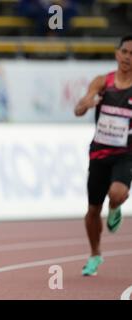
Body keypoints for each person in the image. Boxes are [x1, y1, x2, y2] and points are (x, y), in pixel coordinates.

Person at [74, 35, 132, 276]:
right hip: (99, 152)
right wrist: (87, 103)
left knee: (117, 193)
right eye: (125, 52)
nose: (128, 57)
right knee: (92, 211)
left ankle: (116, 206)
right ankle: (95, 254)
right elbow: (78, 109)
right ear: (117, 53)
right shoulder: (102, 82)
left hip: (125, 154)